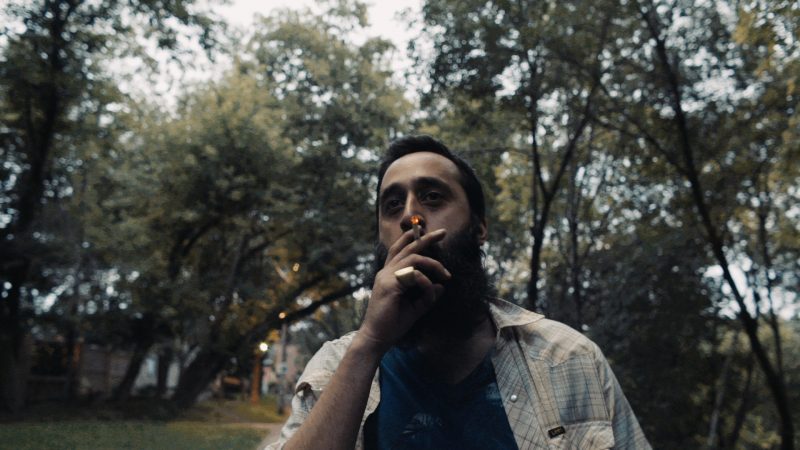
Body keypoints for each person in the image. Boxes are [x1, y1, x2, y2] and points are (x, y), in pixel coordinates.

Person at [265, 135, 650, 449]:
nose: (409, 218)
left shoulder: (569, 359)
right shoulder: (336, 366)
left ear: (479, 228)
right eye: (392, 204)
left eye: (432, 197)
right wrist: (369, 343)